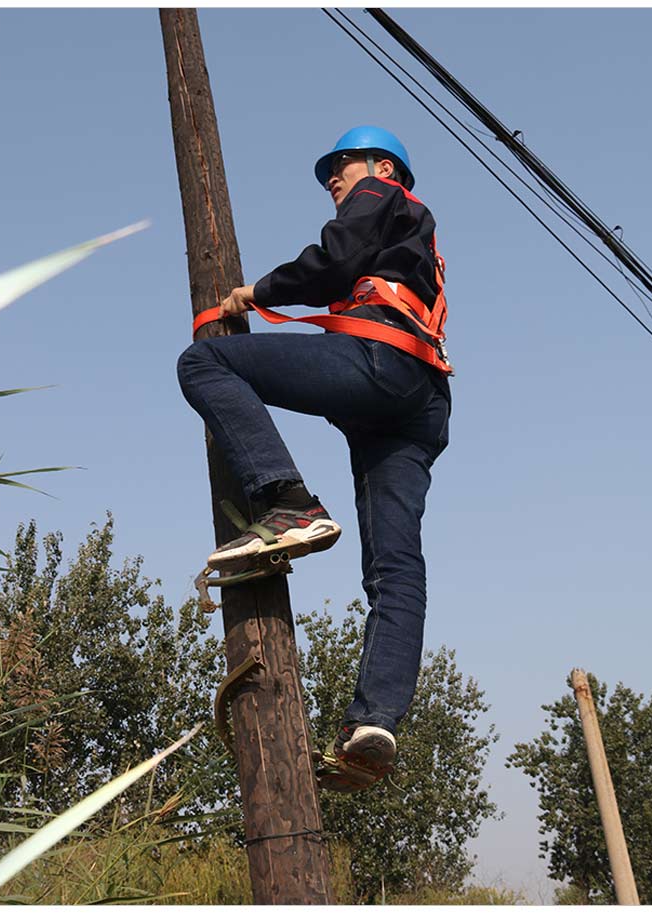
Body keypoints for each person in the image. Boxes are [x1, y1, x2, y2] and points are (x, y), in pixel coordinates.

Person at [177, 126, 452, 788]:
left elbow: (334, 257)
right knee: (394, 568)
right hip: (420, 400)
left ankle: (288, 503)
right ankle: (374, 723)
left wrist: (260, 292)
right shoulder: (415, 239)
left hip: (381, 364)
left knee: (206, 361)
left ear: (383, 166)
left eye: (343, 165)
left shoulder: (385, 195)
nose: (334, 177)